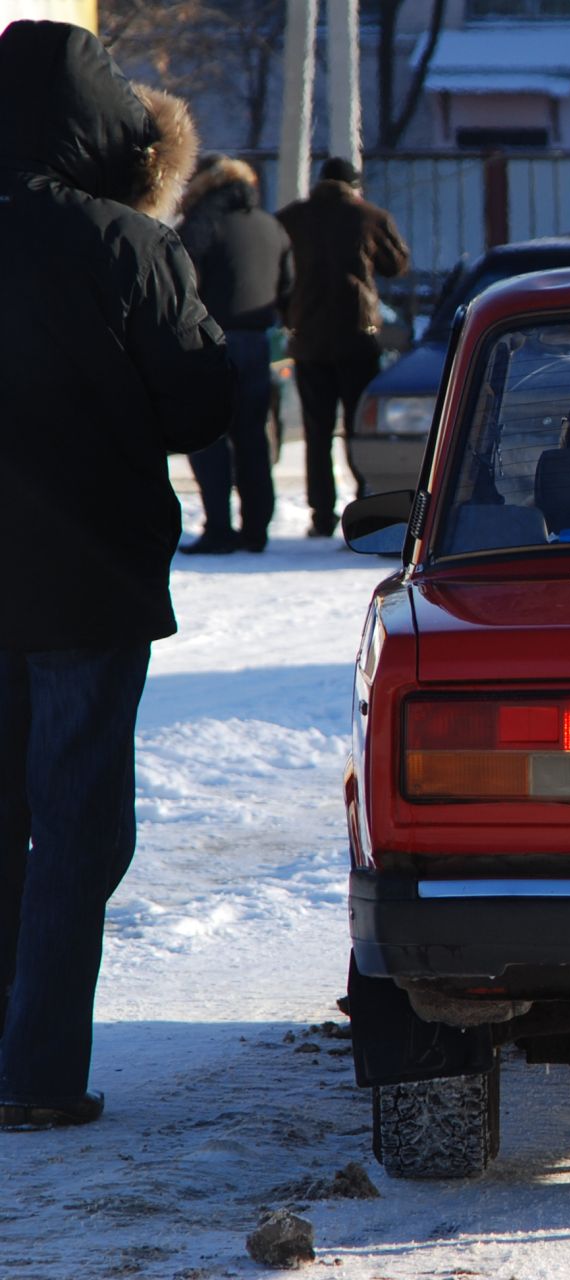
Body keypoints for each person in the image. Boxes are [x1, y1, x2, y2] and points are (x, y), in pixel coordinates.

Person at [0, 20, 233, 1131]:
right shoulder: (121, 242)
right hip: (85, 579)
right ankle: (37, 1071)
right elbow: (198, 405)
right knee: (78, 822)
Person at [277, 156, 409, 537]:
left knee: (316, 432)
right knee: (359, 428)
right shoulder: (369, 216)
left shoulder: (290, 219)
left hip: (309, 341)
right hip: (358, 337)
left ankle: (321, 516)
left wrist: (290, 315)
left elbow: (278, 277)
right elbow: (396, 265)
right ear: (353, 185)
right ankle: (367, 510)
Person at [179, 155, 294, 554]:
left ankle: (219, 528)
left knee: (209, 437)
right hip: (258, 341)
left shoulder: (202, 226)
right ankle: (256, 528)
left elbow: (183, 289)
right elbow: (288, 286)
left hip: (209, 342)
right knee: (253, 436)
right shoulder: (271, 225)